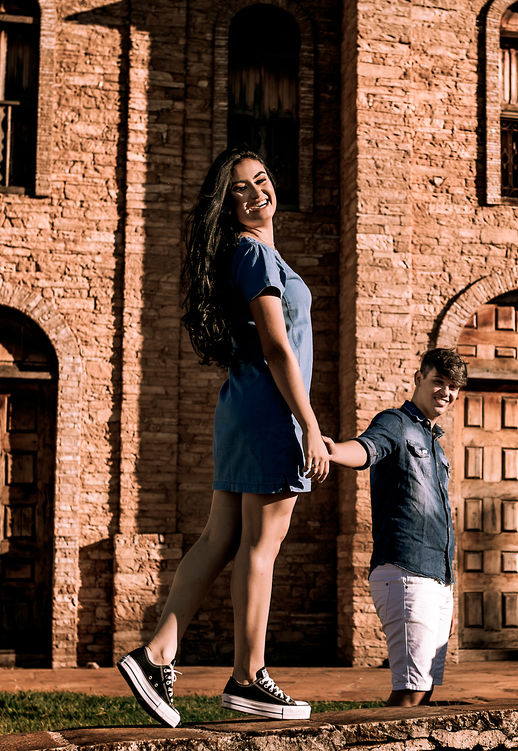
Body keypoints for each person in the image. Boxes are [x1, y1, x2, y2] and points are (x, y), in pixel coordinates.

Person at [118, 149, 330, 726]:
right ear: (226, 203)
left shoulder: (246, 252)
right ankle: (248, 677)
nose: (257, 193)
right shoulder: (254, 254)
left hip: (242, 408)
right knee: (261, 547)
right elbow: (278, 347)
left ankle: (156, 653)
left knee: (220, 538)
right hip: (270, 412)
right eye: (241, 188)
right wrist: (310, 425)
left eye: (262, 180)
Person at [323, 348, 468, 706]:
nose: (446, 392)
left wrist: (448, 591)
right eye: (439, 382)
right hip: (406, 572)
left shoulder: (436, 446)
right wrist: (334, 451)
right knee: (410, 691)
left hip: (436, 578)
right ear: (419, 379)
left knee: (424, 690)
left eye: (453, 387)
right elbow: (367, 449)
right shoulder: (395, 423)